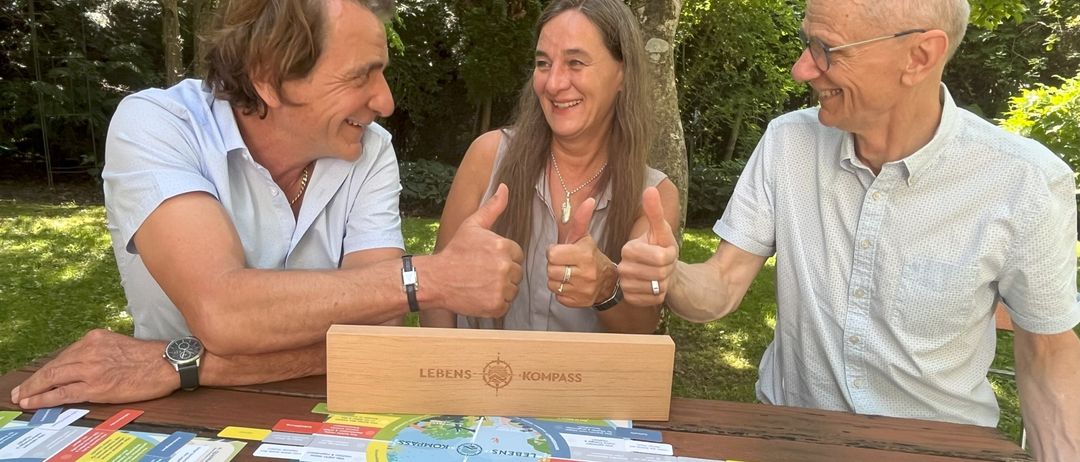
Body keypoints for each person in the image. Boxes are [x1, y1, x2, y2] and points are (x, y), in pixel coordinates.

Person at [619, 0, 1080, 459]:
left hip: (939, 447)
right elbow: (720, 288)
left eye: (827, 49)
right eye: (807, 43)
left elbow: (1049, 354)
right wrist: (671, 272)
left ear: (919, 56)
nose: (802, 69)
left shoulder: (1026, 181)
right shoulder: (788, 142)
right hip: (792, 440)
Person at [10, 0, 524, 410]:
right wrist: (428, 279)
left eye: (382, 72)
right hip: (177, 419)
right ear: (268, 78)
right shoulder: (159, 125)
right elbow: (224, 311)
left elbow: (377, 331)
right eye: (360, 76)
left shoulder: (371, 148)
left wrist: (177, 365)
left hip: (315, 411)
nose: (386, 101)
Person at [420, 0, 680, 334]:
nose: (554, 83)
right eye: (543, 63)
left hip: (582, 387)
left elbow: (639, 328)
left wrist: (605, 287)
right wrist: (449, 378)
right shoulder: (488, 157)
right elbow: (436, 299)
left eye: (575, 63)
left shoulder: (653, 196)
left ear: (623, 74)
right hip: (482, 382)